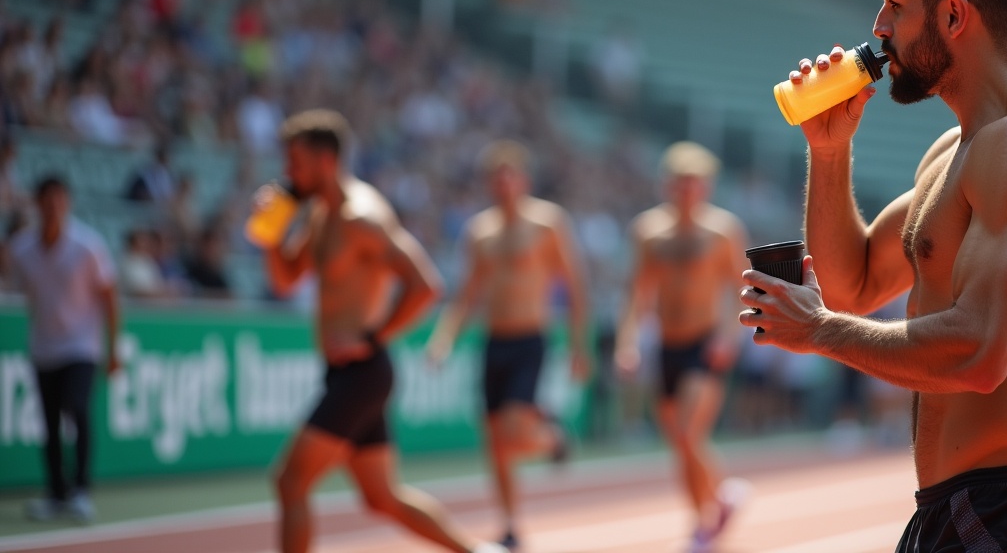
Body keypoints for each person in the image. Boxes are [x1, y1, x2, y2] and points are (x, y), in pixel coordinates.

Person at [740, 0, 1007, 552]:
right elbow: (853, 282)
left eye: (894, 4)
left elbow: (979, 354)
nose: (878, 28)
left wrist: (819, 331)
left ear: (954, 15)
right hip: (958, 511)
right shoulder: (956, 151)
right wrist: (829, 152)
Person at [260, 110, 504, 553]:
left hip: (364, 372)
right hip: (347, 373)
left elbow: (426, 286)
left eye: (295, 162)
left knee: (290, 483)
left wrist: (371, 339)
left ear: (326, 161)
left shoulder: (362, 217)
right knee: (382, 498)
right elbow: (285, 279)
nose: (287, 172)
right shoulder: (319, 214)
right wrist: (273, 231)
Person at [425, 140, 590, 552]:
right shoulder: (480, 231)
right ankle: (511, 524)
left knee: (516, 430)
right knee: (495, 444)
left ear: (523, 180)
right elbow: (468, 293)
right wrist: (443, 338)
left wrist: (578, 346)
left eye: (509, 177)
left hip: (530, 339)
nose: (502, 186)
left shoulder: (547, 223)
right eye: (495, 179)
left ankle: (552, 439)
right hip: (493, 340)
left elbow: (574, 286)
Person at [615, 141, 751, 553]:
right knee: (680, 442)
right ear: (667, 184)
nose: (687, 189)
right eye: (679, 182)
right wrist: (628, 342)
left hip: (704, 344)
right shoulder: (648, 231)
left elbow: (741, 287)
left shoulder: (723, 230)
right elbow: (637, 292)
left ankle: (703, 528)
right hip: (667, 347)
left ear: (706, 185)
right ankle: (718, 500)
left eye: (694, 182)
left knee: (690, 433)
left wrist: (730, 335)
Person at [9, 175, 121, 523]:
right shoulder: (22, 249)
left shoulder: (88, 246)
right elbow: (21, 288)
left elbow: (109, 299)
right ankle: (56, 493)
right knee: (49, 422)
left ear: (67, 203)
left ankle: (81, 491)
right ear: (38, 204)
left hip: (81, 346)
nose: (54, 207)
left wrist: (113, 349)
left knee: (76, 407)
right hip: (44, 347)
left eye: (60, 200)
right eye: (47, 200)